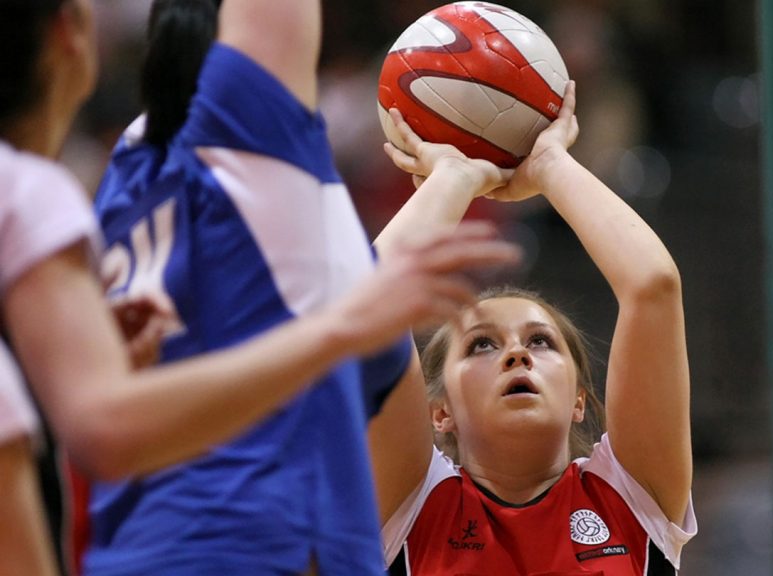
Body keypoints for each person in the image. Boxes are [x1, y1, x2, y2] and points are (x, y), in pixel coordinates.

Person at [0, 0, 519, 574]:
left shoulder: (128, 177)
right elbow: (342, 319)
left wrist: (458, 176)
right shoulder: (243, 127)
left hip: (138, 550)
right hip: (252, 546)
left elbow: (343, 291)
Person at [368, 82, 698, 575]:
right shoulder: (410, 510)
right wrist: (455, 175)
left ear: (580, 400)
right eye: (481, 345)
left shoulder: (629, 498)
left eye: (541, 341)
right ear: (438, 411)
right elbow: (367, 306)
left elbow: (652, 285)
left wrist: (550, 164)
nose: (517, 355)